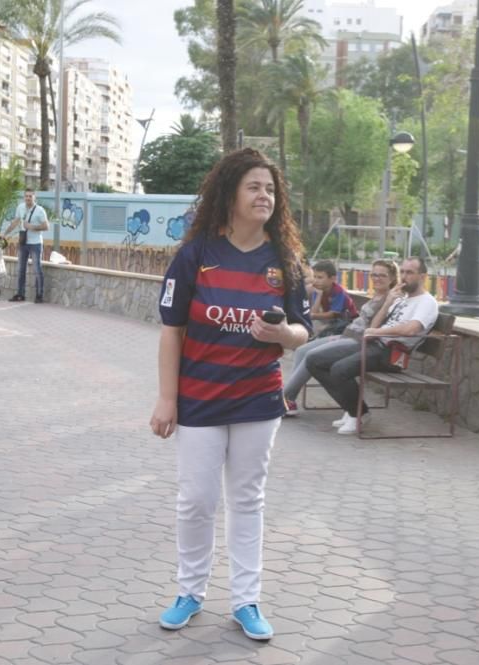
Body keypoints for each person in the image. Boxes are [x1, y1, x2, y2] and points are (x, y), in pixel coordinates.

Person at [149, 148, 310, 641]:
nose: (265, 195)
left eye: (270, 188)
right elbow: (172, 330)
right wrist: (166, 398)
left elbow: (304, 331)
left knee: (247, 500)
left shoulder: (285, 262)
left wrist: (282, 337)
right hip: (199, 399)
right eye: (254, 187)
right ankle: (190, 591)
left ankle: (246, 601)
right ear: (231, 194)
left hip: (258, 402)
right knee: (196, 500)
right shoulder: (196, 255)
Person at [306, 256, 438, 435]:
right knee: (315, 360)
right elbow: (374, 326)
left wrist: (377, 333)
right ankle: (354, 409)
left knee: (339, 369)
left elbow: (411, 329)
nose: (404, 277)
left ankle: (357, 413)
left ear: (423, 276)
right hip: (373, 344)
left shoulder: (427, 302)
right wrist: (388, 302)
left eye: (410, 273)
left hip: (392, 354)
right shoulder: (400, 298)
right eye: (403, 272)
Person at [283, 259, 399, 415]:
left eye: (382, 275)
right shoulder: (377, 296)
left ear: (392, 278)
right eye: (374, 274)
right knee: (301, 350)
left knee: (311, 356)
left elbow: (374, 328)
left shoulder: (390, 299)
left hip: (357, 340)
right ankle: (290, 398)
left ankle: (285, 399)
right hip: (345, 334)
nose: (376, 278)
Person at [3, 188, 49, 303]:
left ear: (34, 197)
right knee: (20, 269)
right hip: (23, 243)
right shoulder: (20, 207)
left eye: (30, 196)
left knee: (37, 269)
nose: (28, 198)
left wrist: (33, 227)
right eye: (26, 196)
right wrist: (4, 234)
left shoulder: (40, 210)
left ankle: (39, 295)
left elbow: (46, 226)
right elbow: (15, 222)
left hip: (36, 243)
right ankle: (20, 294)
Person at [308, 259, 358, 337]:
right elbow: (315, 311)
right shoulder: (318, 289)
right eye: (315, 277)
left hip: (347, 321)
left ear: (332, 278)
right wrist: (319, 295)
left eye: (320, 277)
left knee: (317, 327)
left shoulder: (338, 291)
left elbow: (333, 314)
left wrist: (313, 316)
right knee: (311, 324)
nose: (316, 280)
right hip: (333, 321)